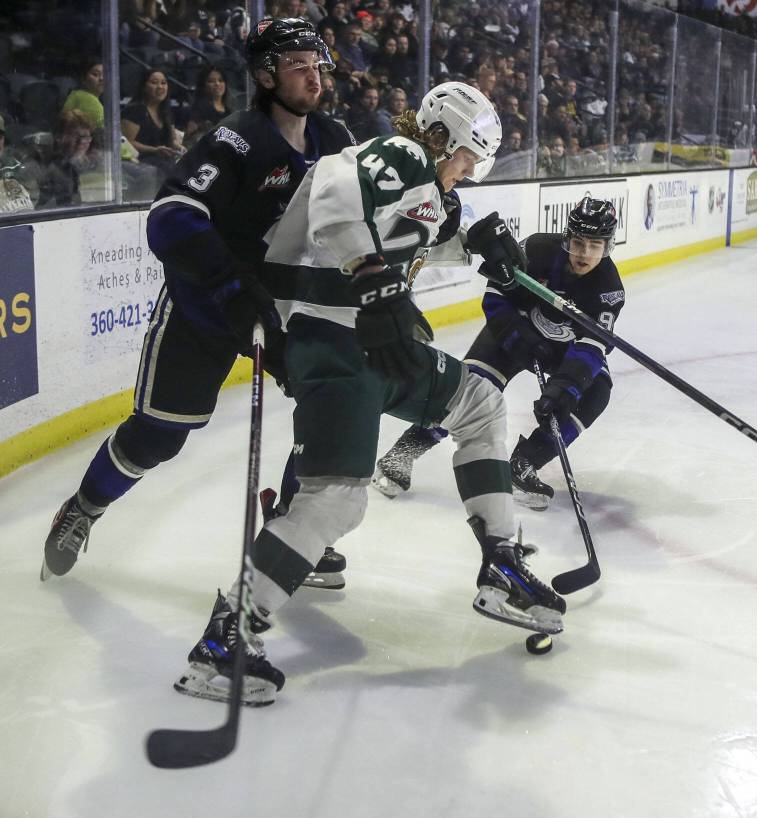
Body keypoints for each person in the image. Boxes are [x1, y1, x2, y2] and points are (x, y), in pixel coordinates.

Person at [173, 80, 566, 706]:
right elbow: (335, 202)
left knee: (480, 401)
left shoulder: (422, 188)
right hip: (330, 339)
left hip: (373, 343)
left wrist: (477, 249)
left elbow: (400, 240)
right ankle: (226, 641)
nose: (469, 171)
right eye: (467, 156)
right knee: (335, 502)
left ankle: (501, 561)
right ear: (440, 138)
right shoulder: (399, 155)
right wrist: (372, 278)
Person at [41, 19, 356, 589]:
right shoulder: (238, 138)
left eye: (318, 64)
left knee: (332, 405)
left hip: (284, 311)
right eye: (297, 65)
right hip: (205, 307)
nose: (314, 75)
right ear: (265, 76)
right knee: (159, 434)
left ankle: (290, 527)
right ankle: (83, 508)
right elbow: (171, 217)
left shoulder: (335, 140)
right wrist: (231, 288)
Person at [373, 196, 624, 512]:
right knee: (468, 390)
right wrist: (516, 336)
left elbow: (591, 348)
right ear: (567, 237)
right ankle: (404, 452)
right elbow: (495, 294)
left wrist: (565, 389)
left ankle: (523, 464)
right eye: (578, 242)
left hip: (562, 350)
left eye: (594, 245)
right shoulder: (536, 249)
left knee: (596, 392)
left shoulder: (608, 289)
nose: (584, 253)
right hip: (512, 331)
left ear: (608, 246)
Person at [121, 69, 185, 177]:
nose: (160, 87)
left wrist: (179, 148)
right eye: (154, 82)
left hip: (161, 159)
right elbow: (128, 143)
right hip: (138, 160)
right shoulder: (134, 110)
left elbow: (172, 141)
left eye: (163, 83)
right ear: (144, 87)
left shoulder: (166, 111)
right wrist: (155, 150)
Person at [183, 65, 232, 146]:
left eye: (221, 80)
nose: (217, 84)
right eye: (211, 81)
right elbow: (190, 138)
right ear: (203, 86)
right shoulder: (197, 110)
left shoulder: (230, 111)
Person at [61, 59, 105, 134]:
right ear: (83, 79)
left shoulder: (77, 95)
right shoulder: (85, 98)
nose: (102, 78)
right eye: (95, 74)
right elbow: (106, 130)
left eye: (105, 74)